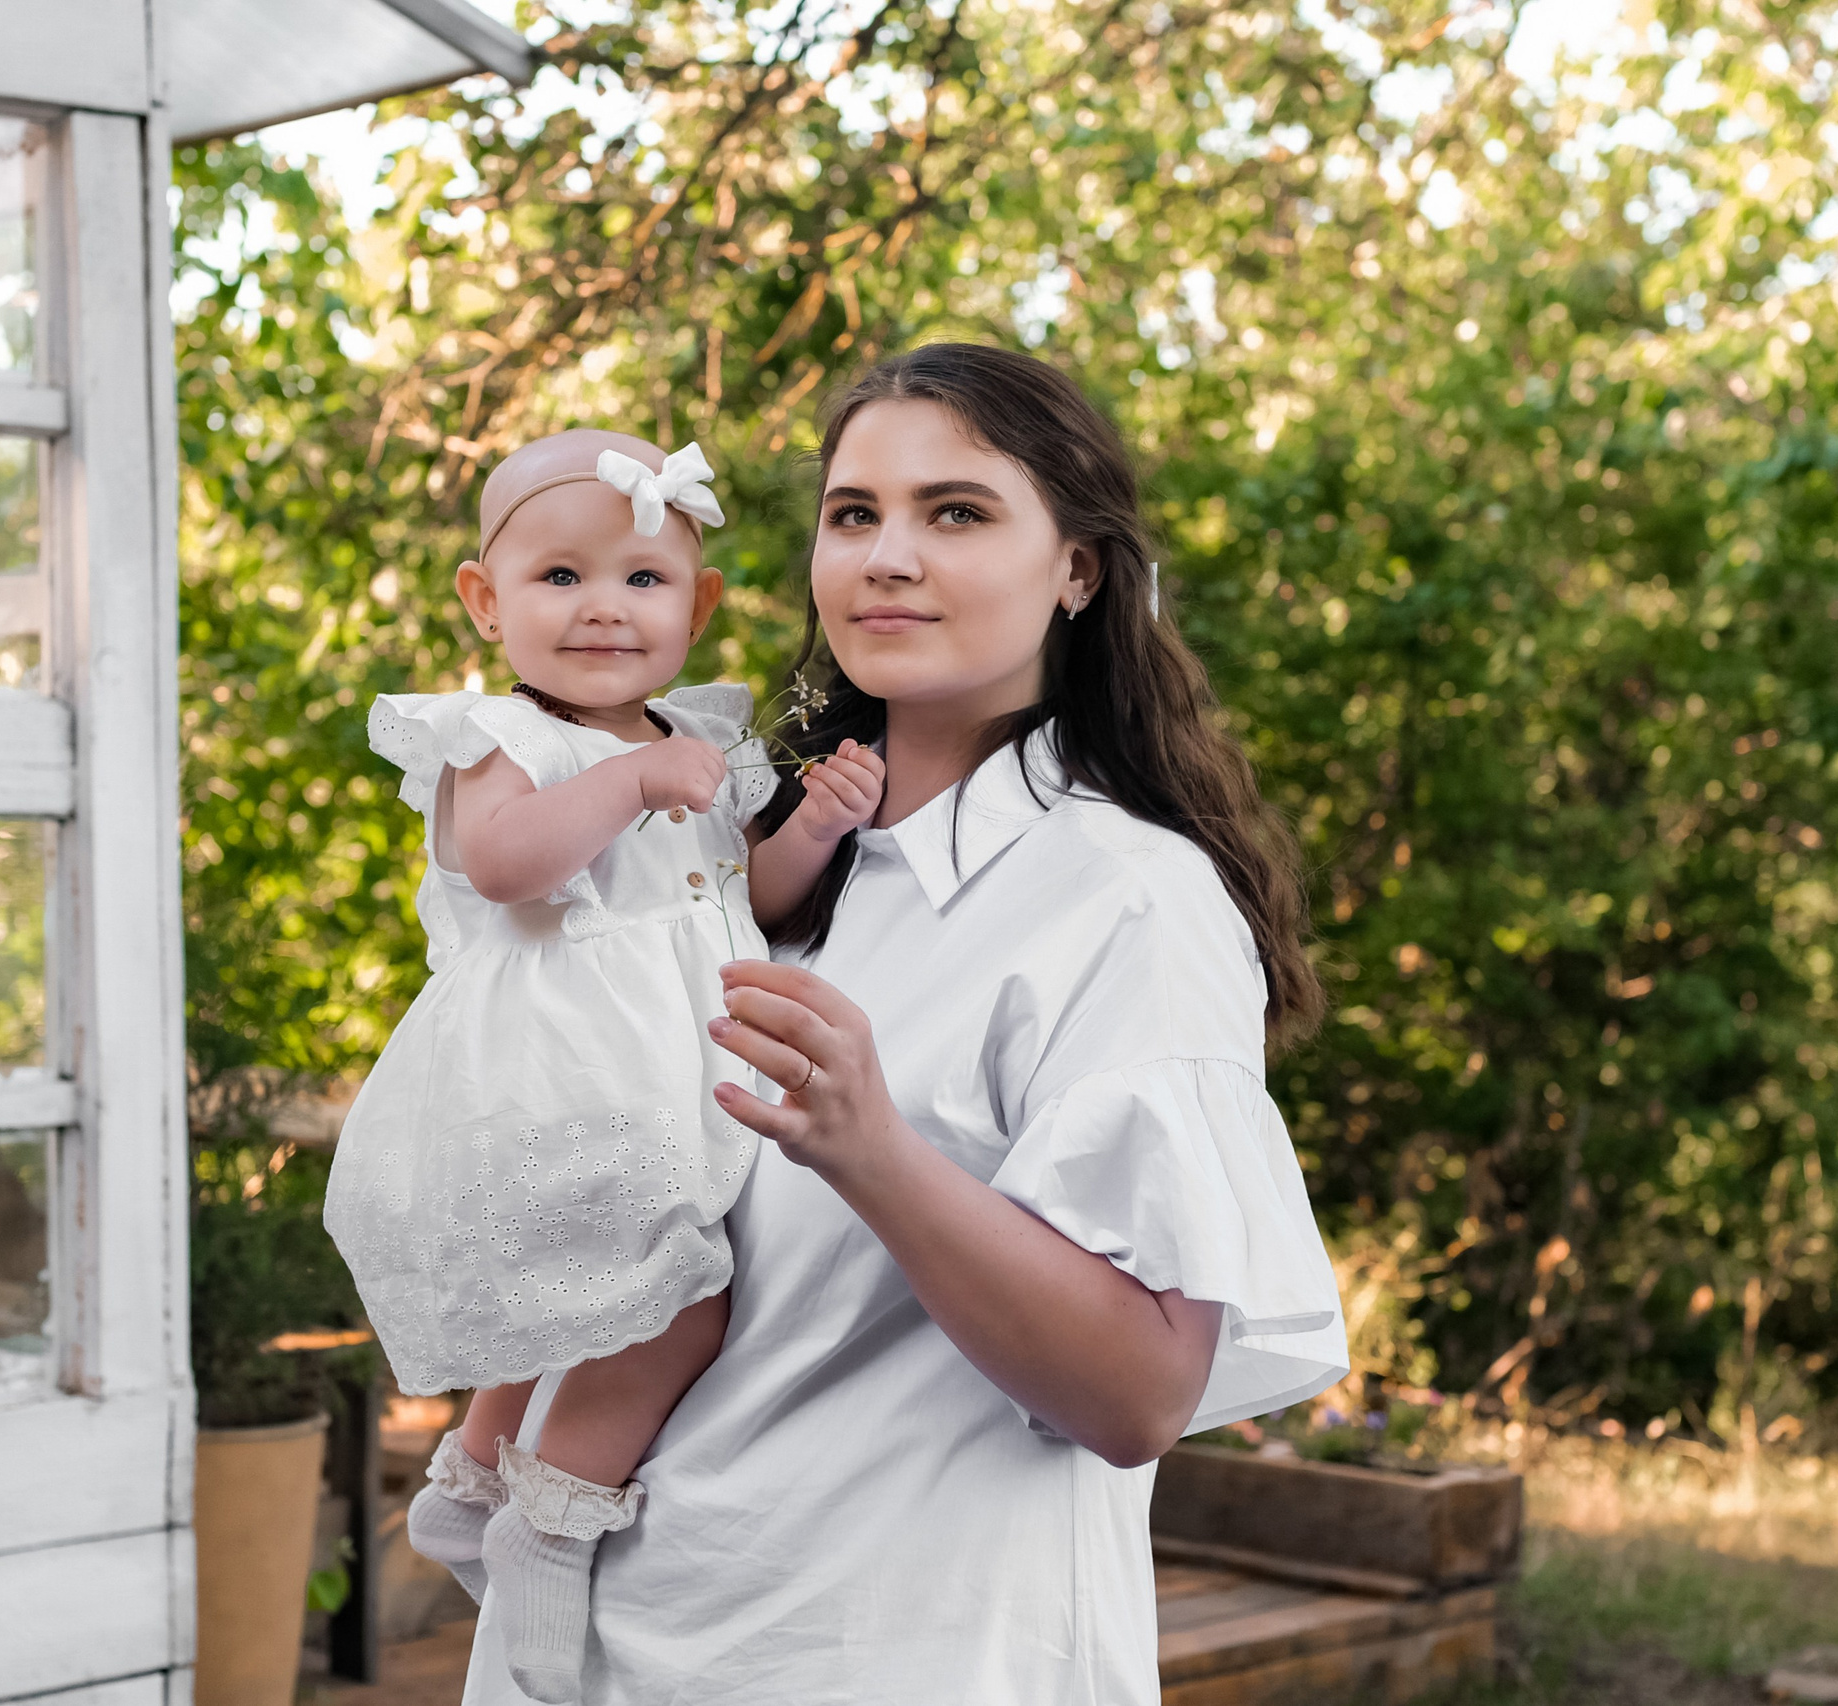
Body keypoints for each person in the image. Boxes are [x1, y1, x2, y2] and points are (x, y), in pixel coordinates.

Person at [459, 344, 1349, 1705]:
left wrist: (872, 1146)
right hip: (614, 1646)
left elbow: (1139, 1393)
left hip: (889, 1658)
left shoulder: (1124, 899)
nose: (887, 555)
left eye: (958, 512)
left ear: (1079, 569)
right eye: (854, 513)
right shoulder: (745, 862)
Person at [324, 430, 885, 1703]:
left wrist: (818, 819)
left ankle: (473, 1484)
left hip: (666, 1064)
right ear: (486, 599)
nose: (601, 610)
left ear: (697, 604)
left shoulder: (698, 734)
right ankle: (551, 1520)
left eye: (639, 580)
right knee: (670, 1298)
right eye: (559, 577)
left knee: (585, 1292)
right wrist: (633, 778)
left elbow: (752, 894)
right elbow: (505, 862)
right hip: (562, 1072)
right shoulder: (501, 738)